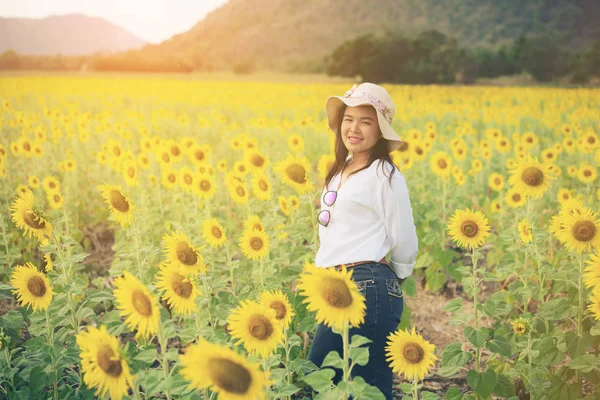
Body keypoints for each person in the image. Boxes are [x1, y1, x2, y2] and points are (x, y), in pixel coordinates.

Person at [307, 82, 419, 399]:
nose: (354, 128)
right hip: (336, 285)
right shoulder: (340, 170)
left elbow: (404, 237)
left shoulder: (384, 174)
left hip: (367, 284)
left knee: (368, 386)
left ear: (380, 130)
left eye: (365, 121)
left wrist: (389, 277)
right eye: (348, 119)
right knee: (320, 379)